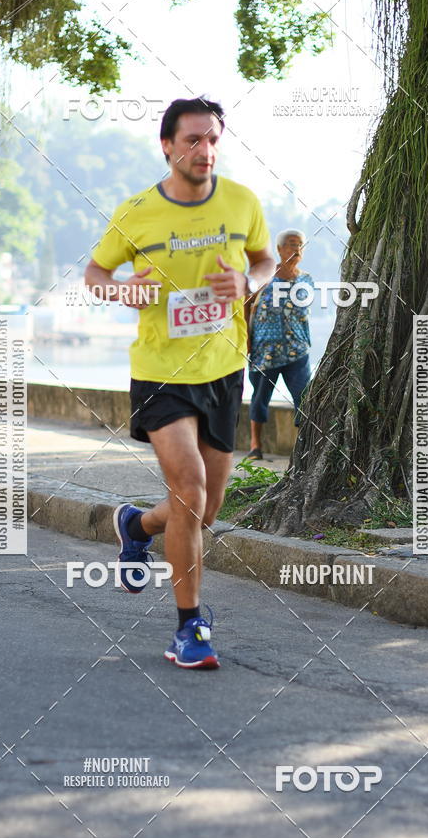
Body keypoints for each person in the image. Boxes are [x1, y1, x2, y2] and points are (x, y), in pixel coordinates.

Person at [84, 97, 274, 669]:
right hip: (161, 372)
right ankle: (189, 626)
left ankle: (135, 525)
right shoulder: (137, 211)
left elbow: (265, 260)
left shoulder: (242, 201)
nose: (204, 151)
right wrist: (123, 290)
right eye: (192, 140)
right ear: (167, 146)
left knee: (204, 510)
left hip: (224, 367)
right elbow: (95, 273)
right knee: (188, 490)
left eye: (213, 139)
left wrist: (246, 280)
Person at [245, 229, 313, 461]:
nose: (297, 249)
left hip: (298, 350)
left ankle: (304, 447)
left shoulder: (306, 279)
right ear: (280, 249)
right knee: (260, 397)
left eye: (301, 245)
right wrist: (246, 337)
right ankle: (255, 446)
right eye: (292, 244)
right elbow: (244, 303)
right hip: (265, 349)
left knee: (304, 398)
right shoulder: (264, 278)